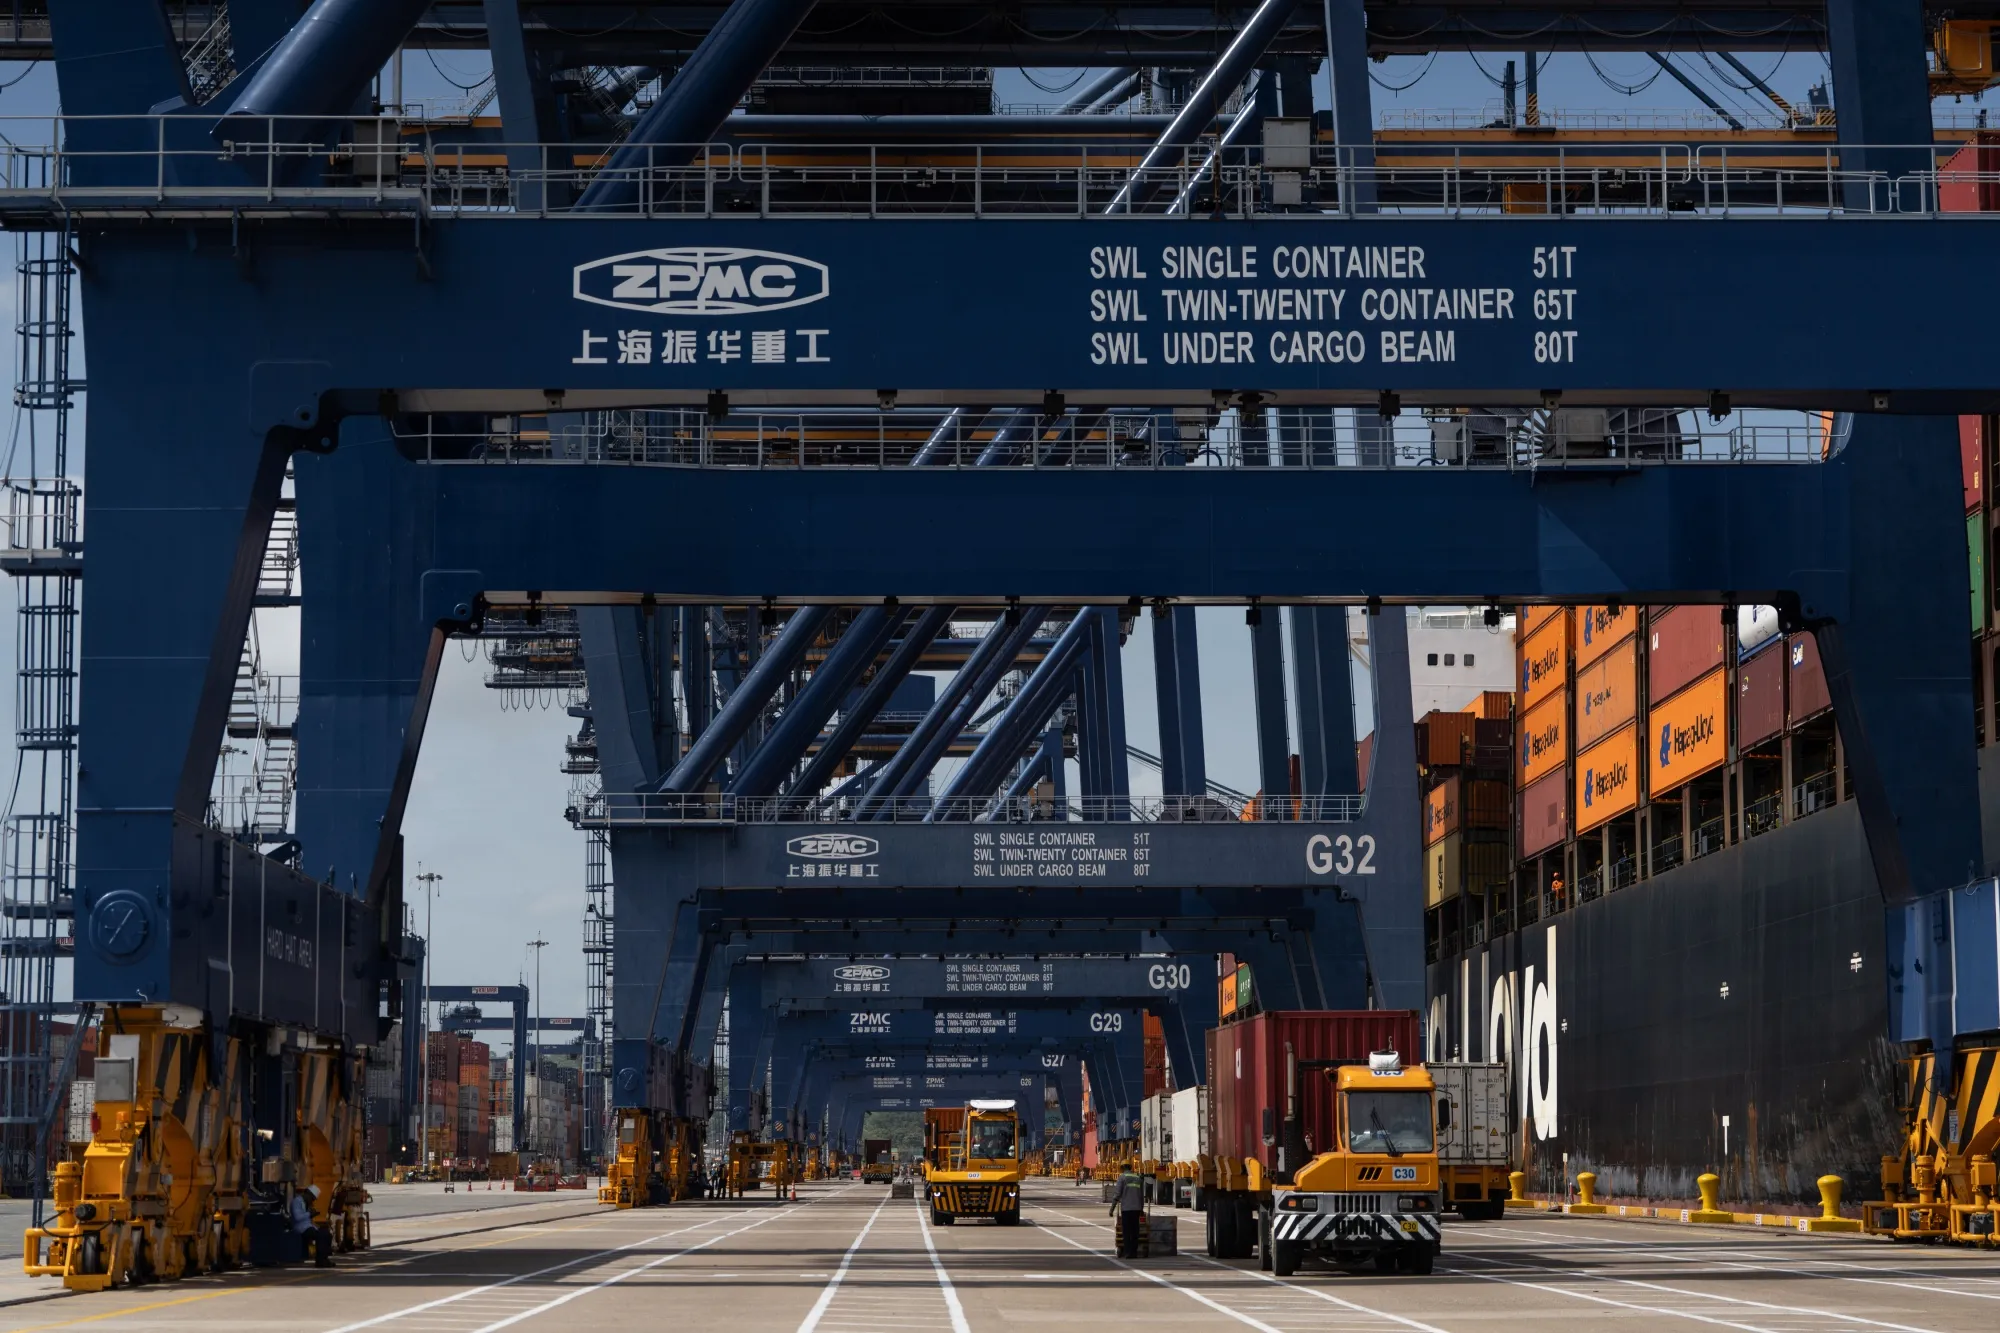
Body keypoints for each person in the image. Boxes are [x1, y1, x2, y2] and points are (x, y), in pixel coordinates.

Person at [289, 1184, 334, 1268]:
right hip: (301, 1228)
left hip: (308, 1227)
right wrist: (309, 1214)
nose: (312, 1201)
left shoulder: (306, 1204)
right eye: (312, 1198)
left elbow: (308, 1220)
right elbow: (297, 1217)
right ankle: (320, 1260)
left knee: (327, 1234)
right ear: (308, 1194)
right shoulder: (297, 1202)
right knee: (321, 1235)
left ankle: (324, 1258)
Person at [1110, 1165, 1145, 1258]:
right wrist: (1141, 1208)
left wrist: (1112, 1209)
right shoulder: (1138, 1178)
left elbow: (1117, 1194)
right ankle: (1134, 1252)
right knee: (1135, 1231)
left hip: (1126, 1209)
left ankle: (1128, 1252)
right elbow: (1141, 1196)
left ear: (1122, 1168)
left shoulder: (1122, 1177)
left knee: (1126, 1231)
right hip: (1137, 1209)